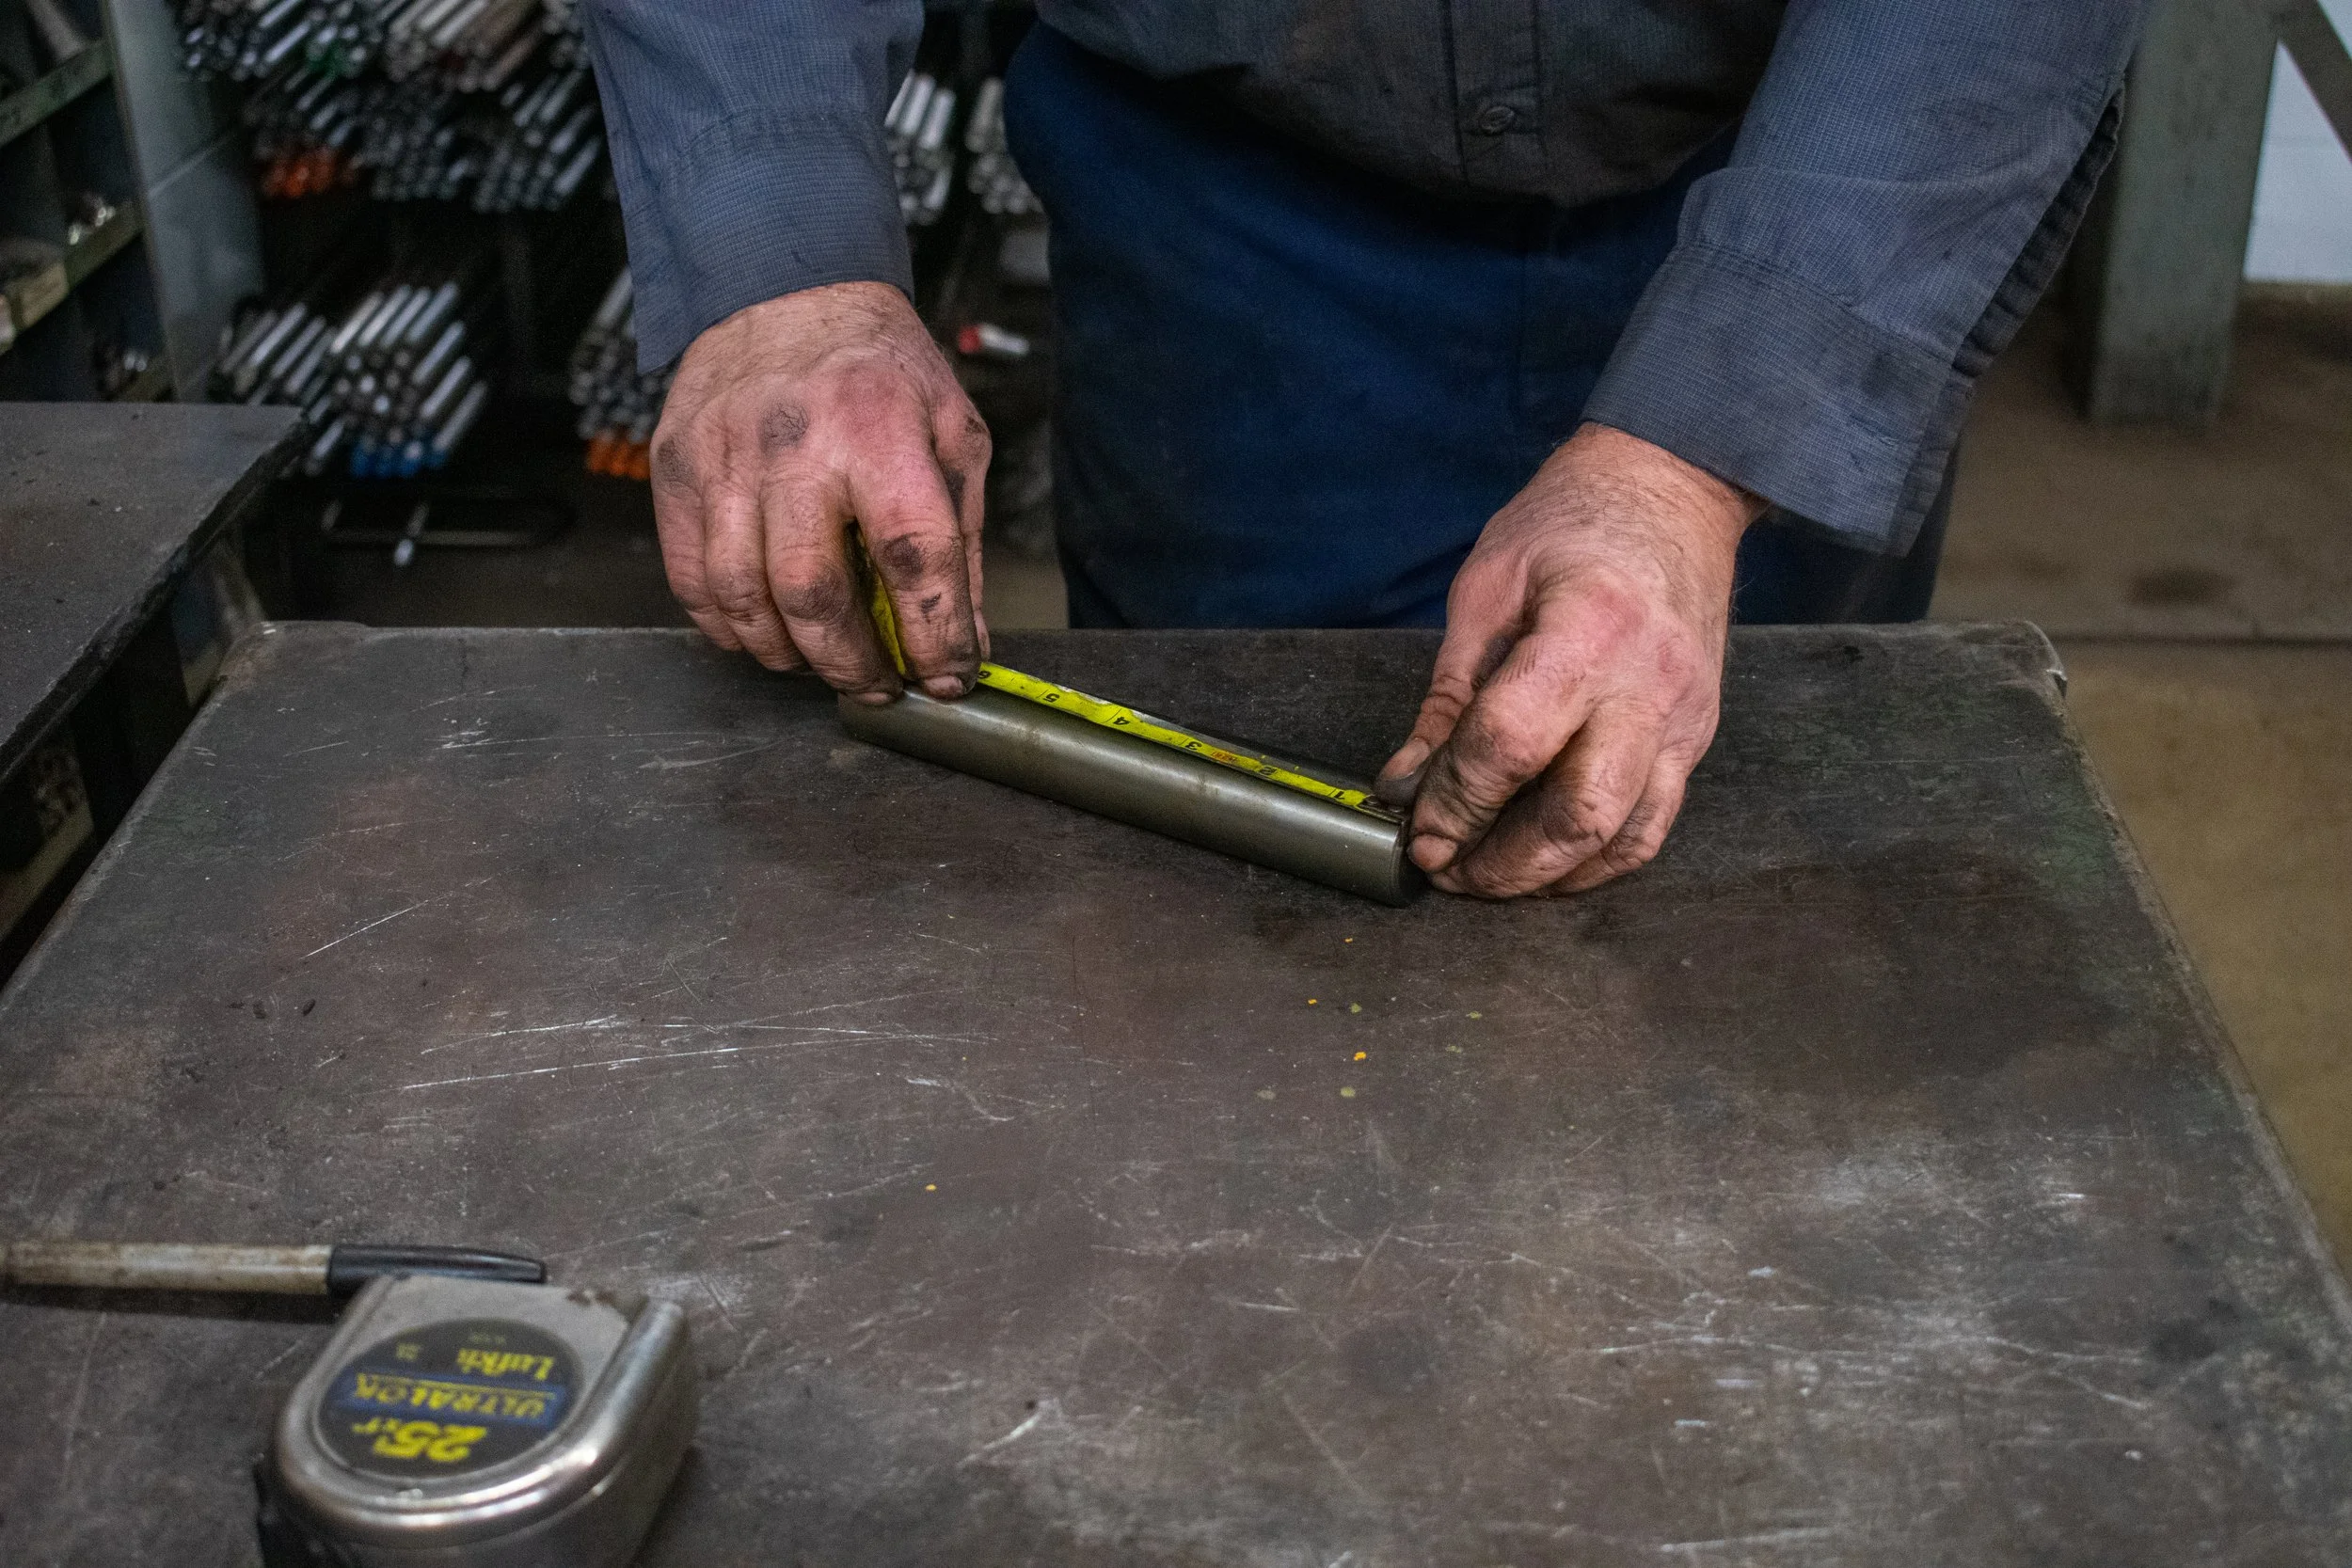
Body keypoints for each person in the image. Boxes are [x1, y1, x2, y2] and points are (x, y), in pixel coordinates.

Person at [580, 2, 2145, 897]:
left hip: (1811, 173)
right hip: (1224, 212)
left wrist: (1707, 452)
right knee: (1216, 959)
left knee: (1740, 919)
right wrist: (774, 250)